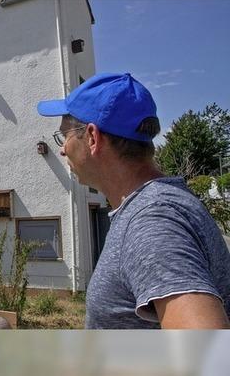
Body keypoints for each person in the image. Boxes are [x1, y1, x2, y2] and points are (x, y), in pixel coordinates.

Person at [37, 72, 230, 329]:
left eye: (64, 136)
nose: (62, 149)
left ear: (92, 138)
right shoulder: (160, 204)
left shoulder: (152, 220)